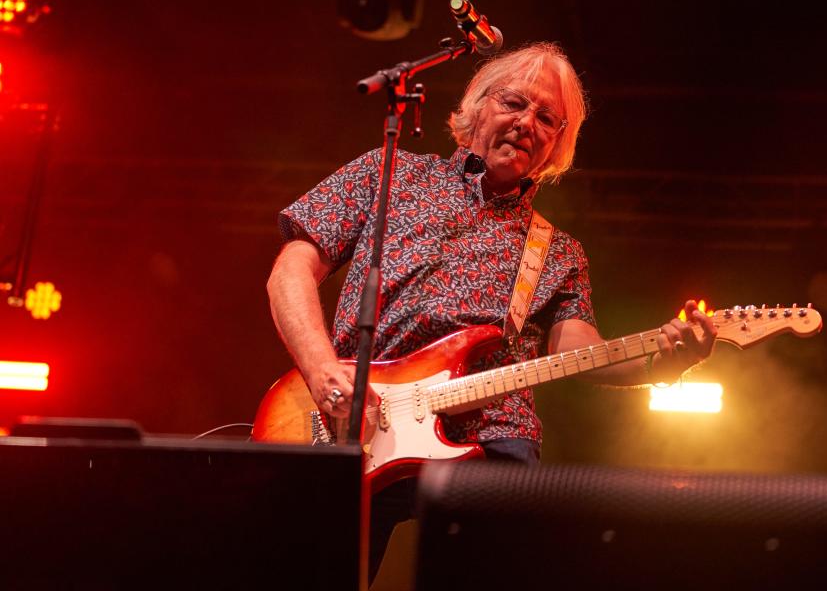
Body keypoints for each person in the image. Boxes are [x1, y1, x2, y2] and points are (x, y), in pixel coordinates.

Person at [266, 42, 717, 579]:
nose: (528, 123)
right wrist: (322, 372)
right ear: (476, 106)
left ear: (557, 145)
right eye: (514, 103)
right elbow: (291, 269)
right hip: (352, 417)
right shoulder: (387, 175)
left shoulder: (558, 250)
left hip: (491, 435)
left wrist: (663, 360)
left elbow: (576, 350)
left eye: (547, 118)